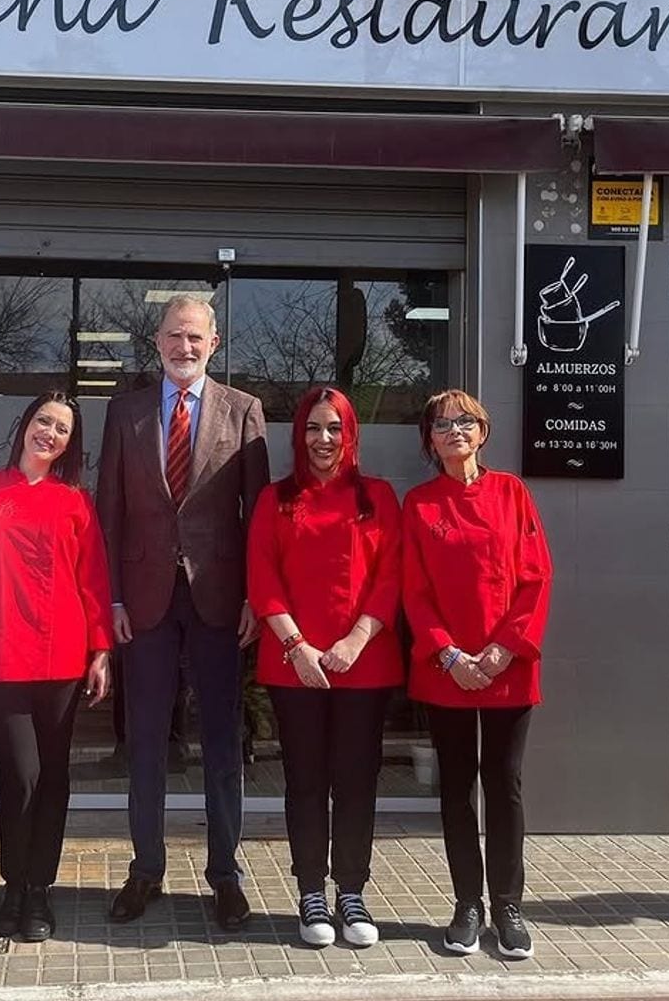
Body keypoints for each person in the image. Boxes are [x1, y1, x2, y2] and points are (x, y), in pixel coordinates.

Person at [96, 295, 270, 930]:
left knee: (223, 741)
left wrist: (257, 594)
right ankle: (146, 869)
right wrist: (111, 597)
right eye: (173, 336)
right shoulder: (125, 412)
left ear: (214, 343)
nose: (184, 347)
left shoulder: (244, 411)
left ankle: (226, 874)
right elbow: (108, 513)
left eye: (195, 337)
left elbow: (261, 518)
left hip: (220, 598)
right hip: (143, 601)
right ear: (157, 341)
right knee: (145, 740)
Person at [0, 391, 112, 942]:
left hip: (63, 657)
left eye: (63, 429)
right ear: (25, 425)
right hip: (1, 655)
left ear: (70, 443)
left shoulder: (75, 502)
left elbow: (92, 581)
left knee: (55, 777)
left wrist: (101, 649)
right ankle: (12, 883)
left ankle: (38, 891)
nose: (51, 434)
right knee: (21, 775)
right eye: (44, 421)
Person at [247, 386, 403, 948]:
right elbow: (262, 577)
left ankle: (353, 890)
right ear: (299, 436)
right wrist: (297, 646)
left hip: (365, 664)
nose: (324, 439)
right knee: (306, 782)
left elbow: (390, 577)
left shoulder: (377, 497)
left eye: (334, 428)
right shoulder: (276, 499)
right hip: (296, 666)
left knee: (356, 782)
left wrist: (357, 638)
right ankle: (311, 888)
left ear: (350, 433)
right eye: (313, 428)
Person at [402, 389, 552, 961]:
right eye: (442, 424)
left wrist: (503, 650)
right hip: (449, 673)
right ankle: (468, 904)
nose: (455, 431)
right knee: (458, 791)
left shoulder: (513, 493)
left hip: (507, 669)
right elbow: (414, 592)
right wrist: (448, 655)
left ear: (482, 432)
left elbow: (537, 578)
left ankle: (509, 905)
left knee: (504, 786)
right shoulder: (419, 505)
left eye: (465, 422)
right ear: (430, 440)